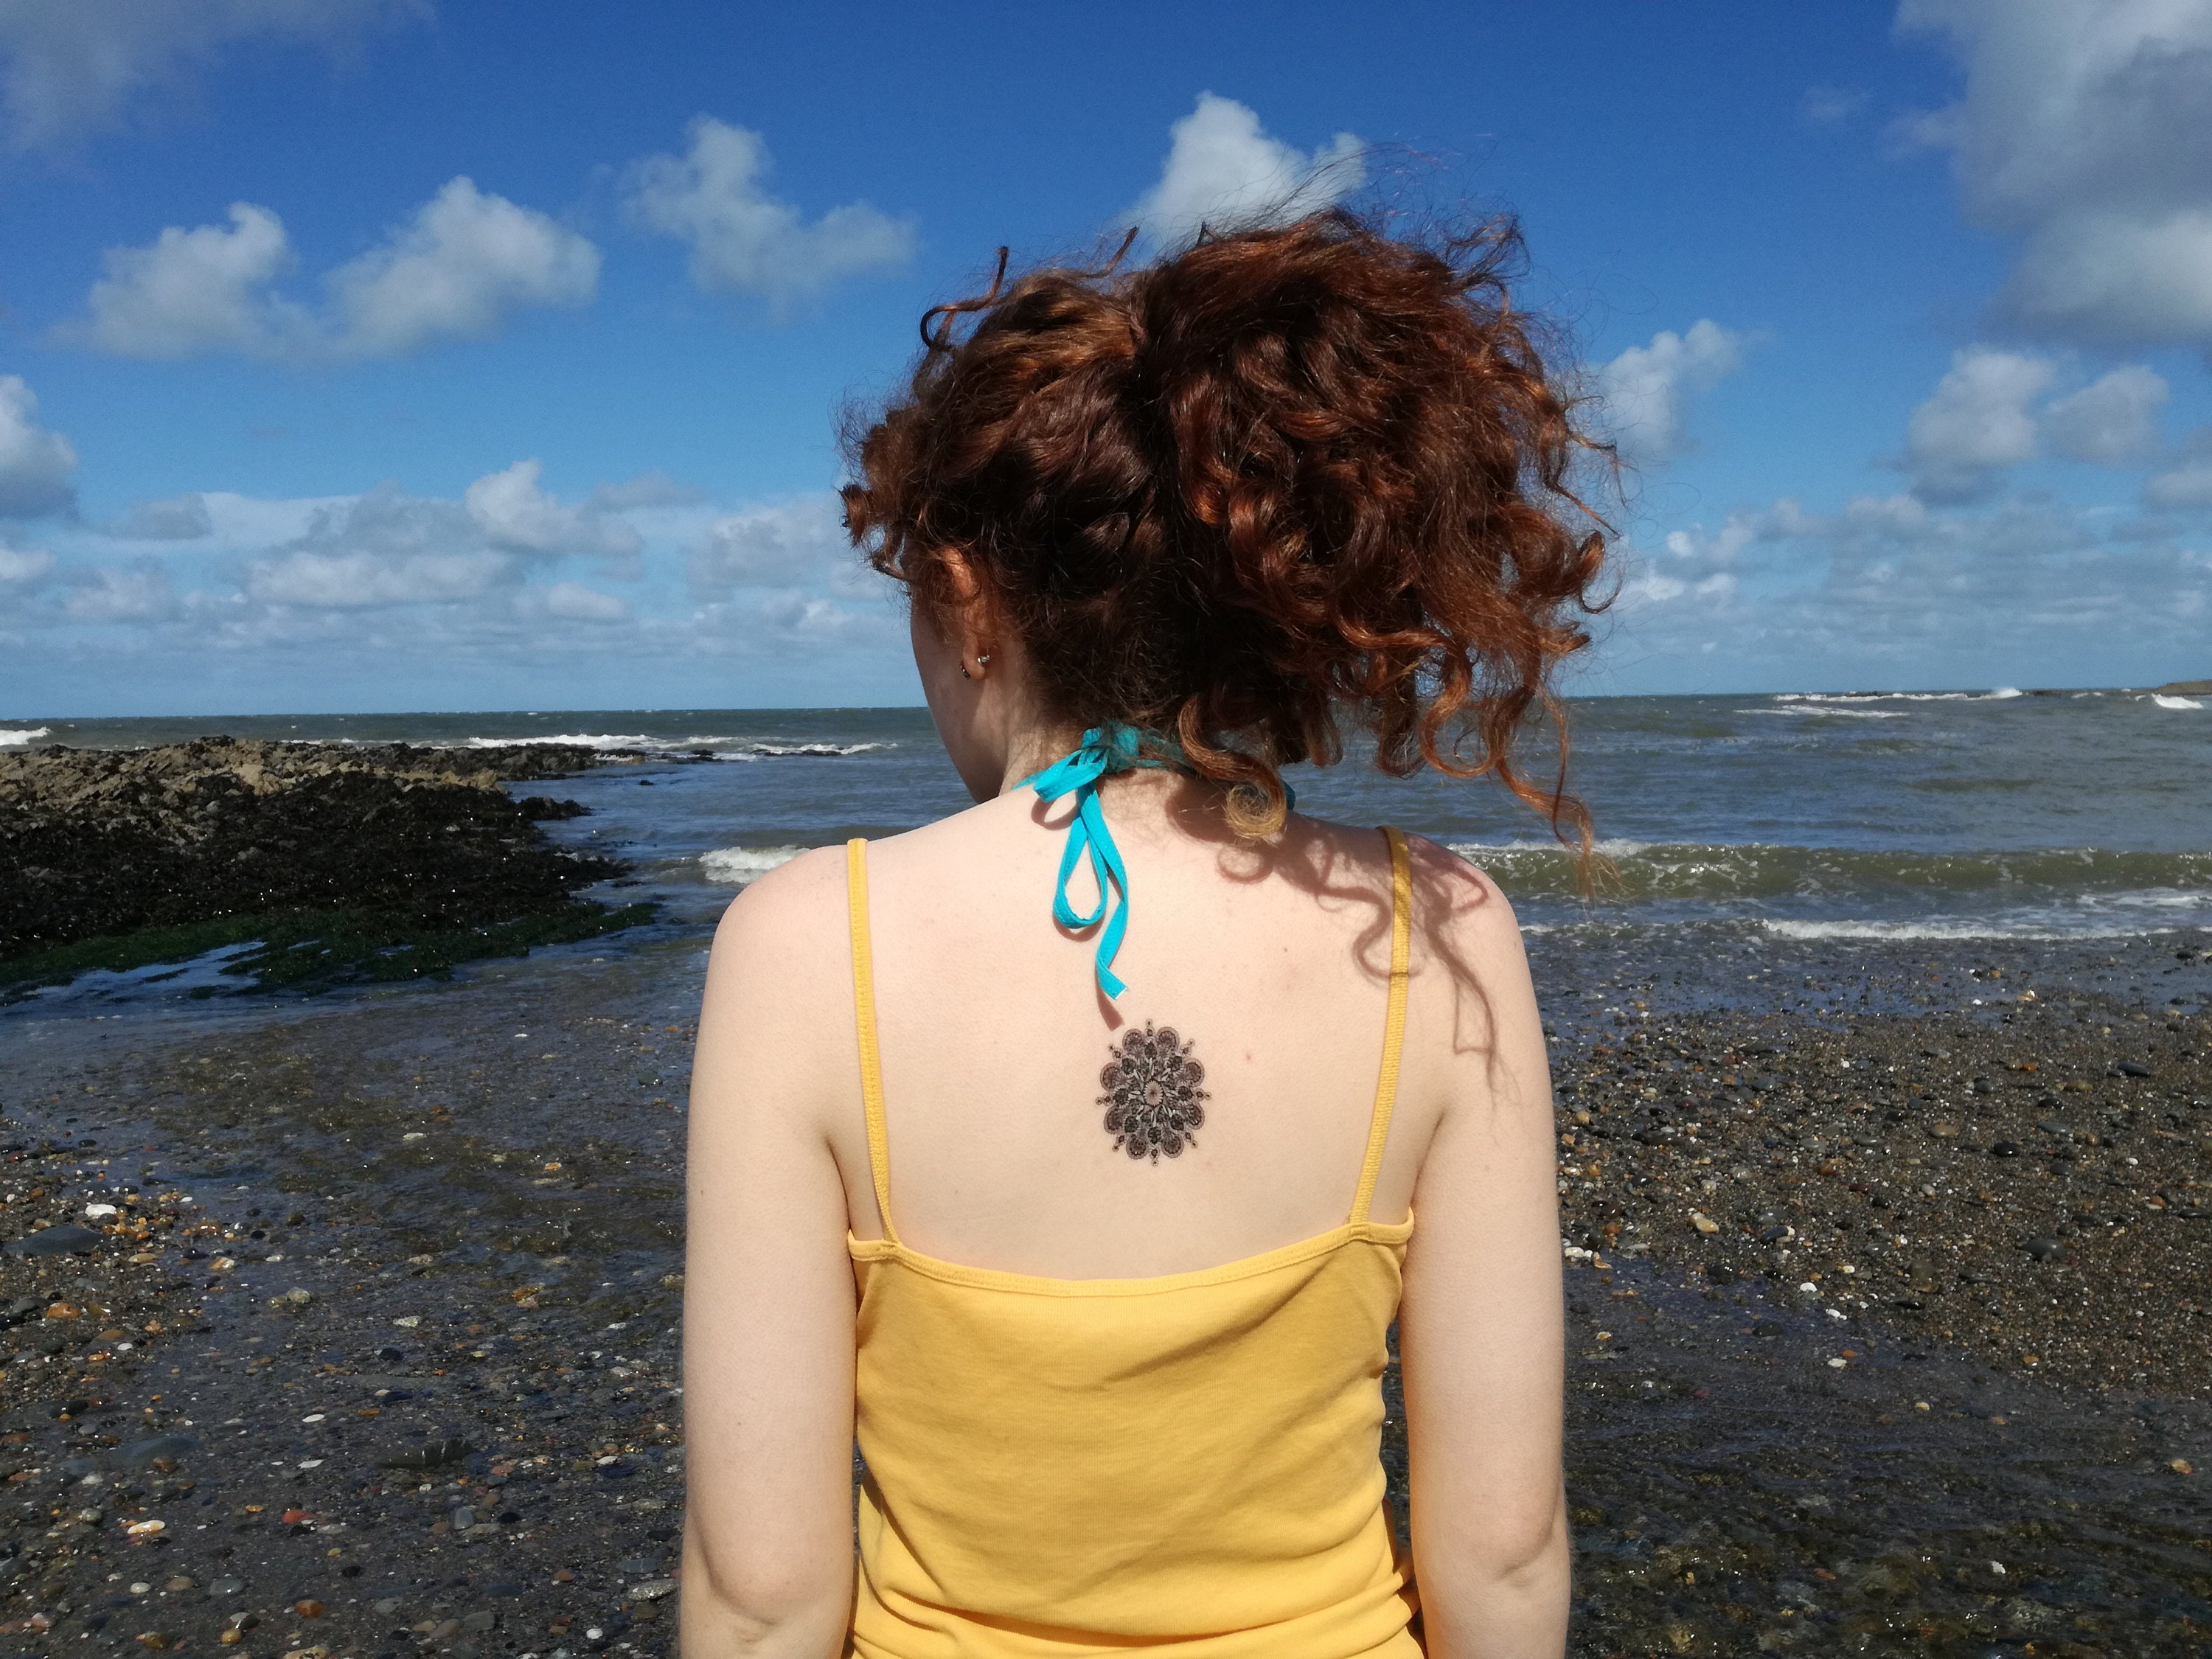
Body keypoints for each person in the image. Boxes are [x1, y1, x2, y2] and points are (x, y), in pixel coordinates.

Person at [681, 207, 1607, 1658]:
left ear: (967, 602)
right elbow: (1504, 1553)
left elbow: (761, 1600)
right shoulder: (1444, 927)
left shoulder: (799, 947)